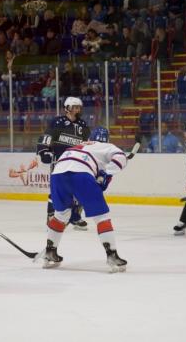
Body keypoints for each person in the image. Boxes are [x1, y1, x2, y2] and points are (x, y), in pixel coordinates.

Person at [39, 127, 128, 272]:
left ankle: (50, 252)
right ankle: (112, 255)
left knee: (61, 215)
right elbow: (121, 158)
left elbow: (76, 165)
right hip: (81, 173)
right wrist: (107, 173)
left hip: (57, 174)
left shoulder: (78, 146)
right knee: (101, 217)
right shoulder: (107, 146)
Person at [36, 97, 90, 230]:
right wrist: (44, 151)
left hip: (76, 162)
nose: (77, 110)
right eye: (75, 107)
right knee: (57, 190)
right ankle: (51, 216)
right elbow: (47, 136)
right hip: (59, 161)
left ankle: (75, 217)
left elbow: (87, 143)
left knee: (78, 190)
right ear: (67, 108)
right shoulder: (58, 122)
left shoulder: (83, 125)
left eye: (79, 107)